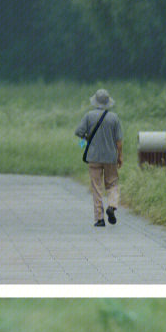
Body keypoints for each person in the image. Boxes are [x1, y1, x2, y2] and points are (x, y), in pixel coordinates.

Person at [74, 88, 123, 229]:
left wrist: (87, 138)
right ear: (108, 102)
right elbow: (119, 141)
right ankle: (112, 206)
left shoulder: (89, 116)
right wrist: (120, 156)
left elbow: (79, 132)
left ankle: (99, 219)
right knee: (113, 184)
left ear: (95, 101)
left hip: (94, 157)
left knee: (97, 187)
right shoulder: (114, 118)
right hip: (110, 157)